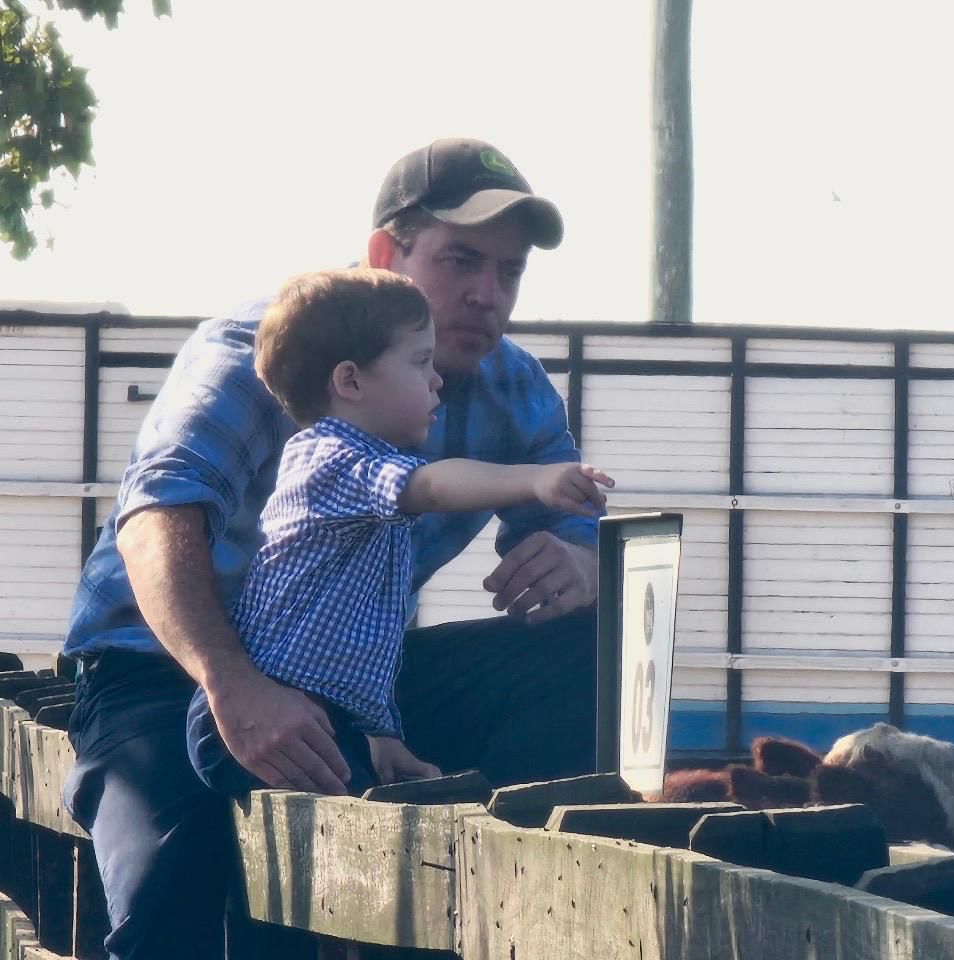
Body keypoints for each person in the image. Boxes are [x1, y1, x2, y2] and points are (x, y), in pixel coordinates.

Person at [61, 138, 602, 960]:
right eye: (461, 260)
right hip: (168, 672)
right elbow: (157, 519)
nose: (487, 295)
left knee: (586, 650)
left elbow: (576, 521)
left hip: (344, 687)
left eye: (510, 271)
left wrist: (581, 564)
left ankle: (502, 910)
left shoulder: (511, 384)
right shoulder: (259, 352)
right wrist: (235, 684)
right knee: (175, 900)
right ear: (387, 254)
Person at [185, 267, 613, 798]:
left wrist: (381, 737)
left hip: (323, 708)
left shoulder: (365, 474)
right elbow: (431, 486)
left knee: (376, 806)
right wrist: (535, 480)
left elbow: (359, 645)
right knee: (349, 827)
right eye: (419, 362)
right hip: (272, 707)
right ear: (351, 382)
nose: (436, 380)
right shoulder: (331, 459)